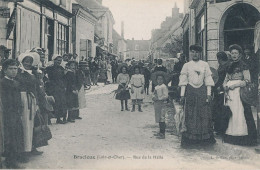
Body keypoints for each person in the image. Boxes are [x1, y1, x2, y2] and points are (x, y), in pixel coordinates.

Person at [179, 44, 216, 148]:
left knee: (203, 115)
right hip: (190, 91)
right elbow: (184, 81)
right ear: (190, 53)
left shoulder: (205, 64)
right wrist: (182, 95)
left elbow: (208, 80)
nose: (195, 54)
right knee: (190, 114)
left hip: (202, 92)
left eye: (197, 52)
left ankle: (203, 140)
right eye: (193, 52)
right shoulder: (186, 65)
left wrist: (208, 94)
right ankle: (190, 141)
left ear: (200, 53)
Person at [223, 44, 257, 146]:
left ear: (239, 54)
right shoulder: (229, 65)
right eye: (232, 53)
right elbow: (226, 79)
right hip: (230, 93)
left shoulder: (244, 65)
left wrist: (236, 85)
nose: (234, 55)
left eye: (236, 53)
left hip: (240, 93)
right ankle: (231, 136)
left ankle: (243, 137)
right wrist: (225, 85)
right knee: (231, 113)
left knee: (241, 113)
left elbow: (247, 80)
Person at [16, 52, 44, 157]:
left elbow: (36, 87)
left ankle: (32, 147)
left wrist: (37, 101)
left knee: (33, 125)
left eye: (30, 62)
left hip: (32, 100)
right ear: (22, 62)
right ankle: (23, 150)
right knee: (24, 125)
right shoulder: (18, 72)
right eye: (26, 61)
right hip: (23, 100)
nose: (28, 64)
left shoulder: (33, 73)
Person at [0, 59, 24, 168]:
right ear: (4, 70)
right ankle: (10, 161)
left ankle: (13, 159)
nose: (14, 71)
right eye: (11, 69)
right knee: (8, 137)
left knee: (16, 136)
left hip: (15, 113)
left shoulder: (16, 83)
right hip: (6, 114)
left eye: (16, 68)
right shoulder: (2, 83)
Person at [45, 55, 67, 124]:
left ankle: (63, 117)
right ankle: (56, 118)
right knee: (55, 102)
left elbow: (64, 78)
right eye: (57, 60)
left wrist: (64, 85)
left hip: (60, 86)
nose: (59, 62)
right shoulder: (49, 68)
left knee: (63, 102)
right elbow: (45, 76)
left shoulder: (61, 68)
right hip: (53, 87)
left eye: (60, 61)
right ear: (54, 60)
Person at [212, 52, 229, 134]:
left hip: (221, 89)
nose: (218, 60)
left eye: (218, 58)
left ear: (220, 58)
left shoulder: (226, 66)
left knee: (220, 108)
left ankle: (220, 129)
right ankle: (218, 128)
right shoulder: (221, 66)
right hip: (217, 88)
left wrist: (221, 87)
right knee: (217, 108)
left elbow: (225, 78)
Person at [152, 74, 169, 139]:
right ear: (156, 80)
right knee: (158, 117)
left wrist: (159, 99)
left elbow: (166, 96)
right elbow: (154, 94)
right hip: (157, 104)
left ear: (163, 80)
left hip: (162, 104)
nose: (160, 80)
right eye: (158, 79)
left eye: (161, 79)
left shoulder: (164, 87)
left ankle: (163, 133)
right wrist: (153, 97)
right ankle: (160, 132)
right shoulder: (156, 87)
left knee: (162, 118)